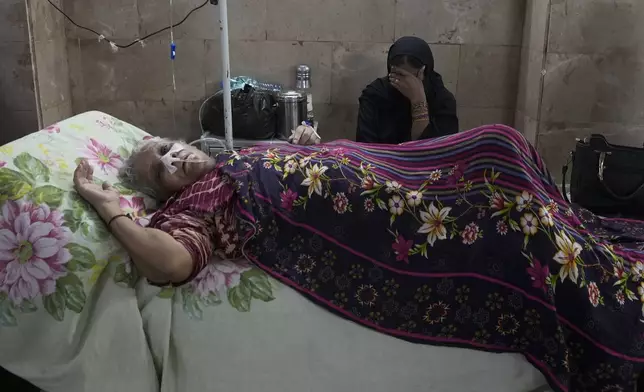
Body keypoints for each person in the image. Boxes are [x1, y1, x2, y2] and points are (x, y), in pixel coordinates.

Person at [73, 126, 644, 391]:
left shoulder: (229, 158)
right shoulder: (196, 201)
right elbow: (169, 263)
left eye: (169, 146)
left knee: (502, 144)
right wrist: (106, 205)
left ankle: (584, 239)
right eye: (160, 169)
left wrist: (303, 146)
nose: (173, 159)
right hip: (383, 213)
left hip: (388, 165)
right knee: (516, 226)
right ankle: (602, 290)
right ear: (164, 193)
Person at [356, 36, 459, 143]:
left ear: (425, 72)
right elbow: (365, 147)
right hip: (380, 159)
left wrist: (419, 102)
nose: (405, 84)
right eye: (399, 75)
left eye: (413, 78)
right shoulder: (375, 95)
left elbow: (438, 151)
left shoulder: (442, 100)